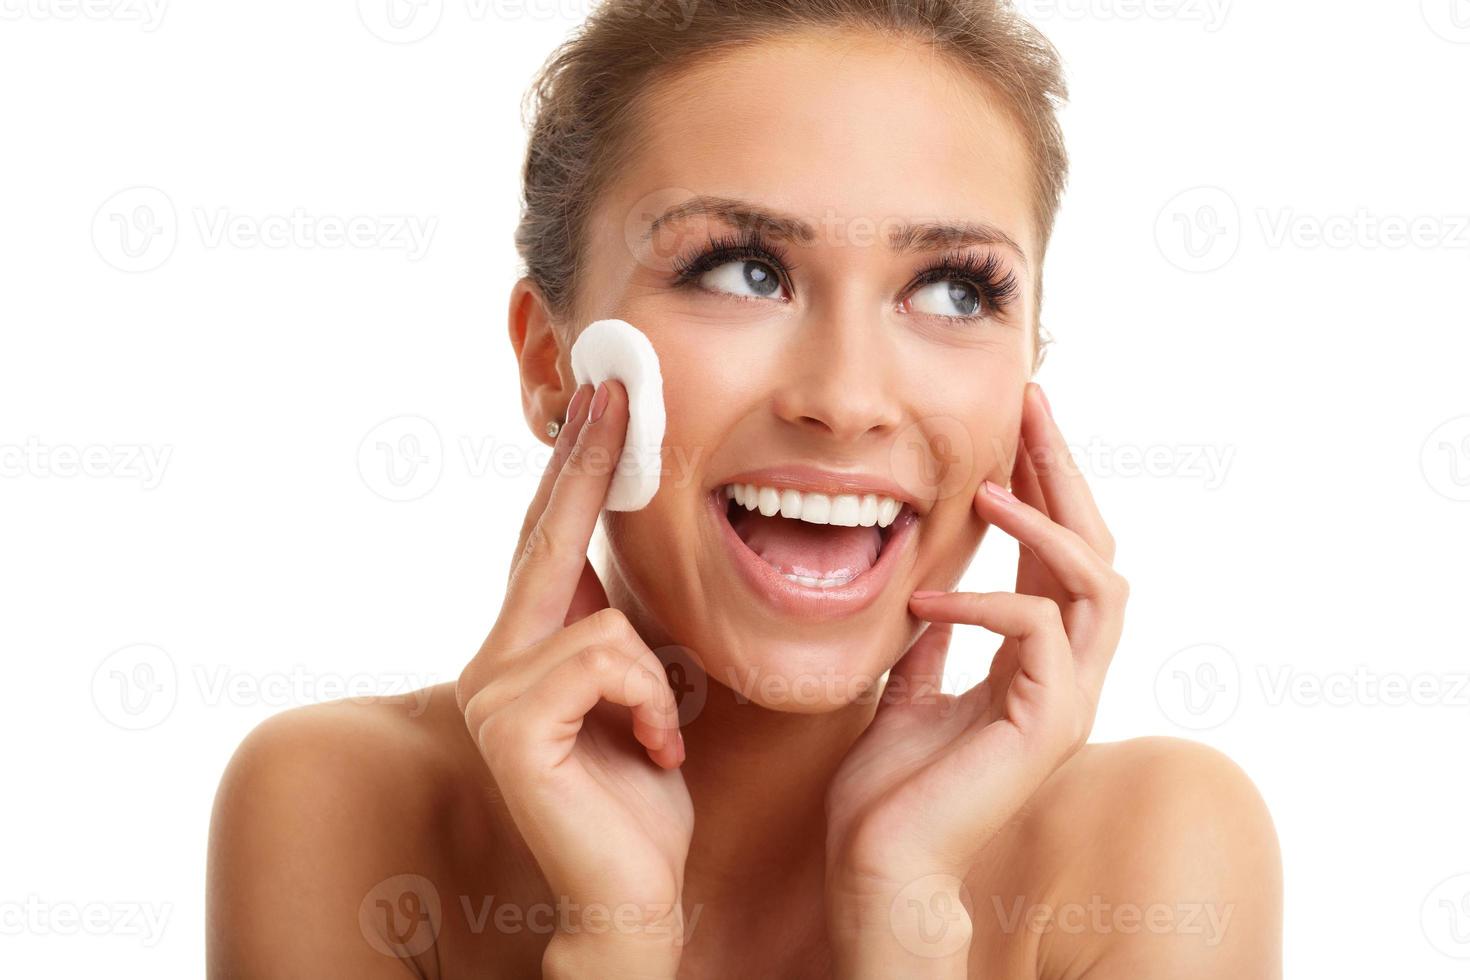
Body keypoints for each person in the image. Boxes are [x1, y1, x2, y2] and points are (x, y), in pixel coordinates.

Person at [207, 0, 1282, 975]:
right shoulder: (339, 810)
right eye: (741, 271)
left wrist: (903, 918)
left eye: (955, 288)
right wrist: (612, 944)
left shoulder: (1155, 843)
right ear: (551, 362)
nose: (848, 398)